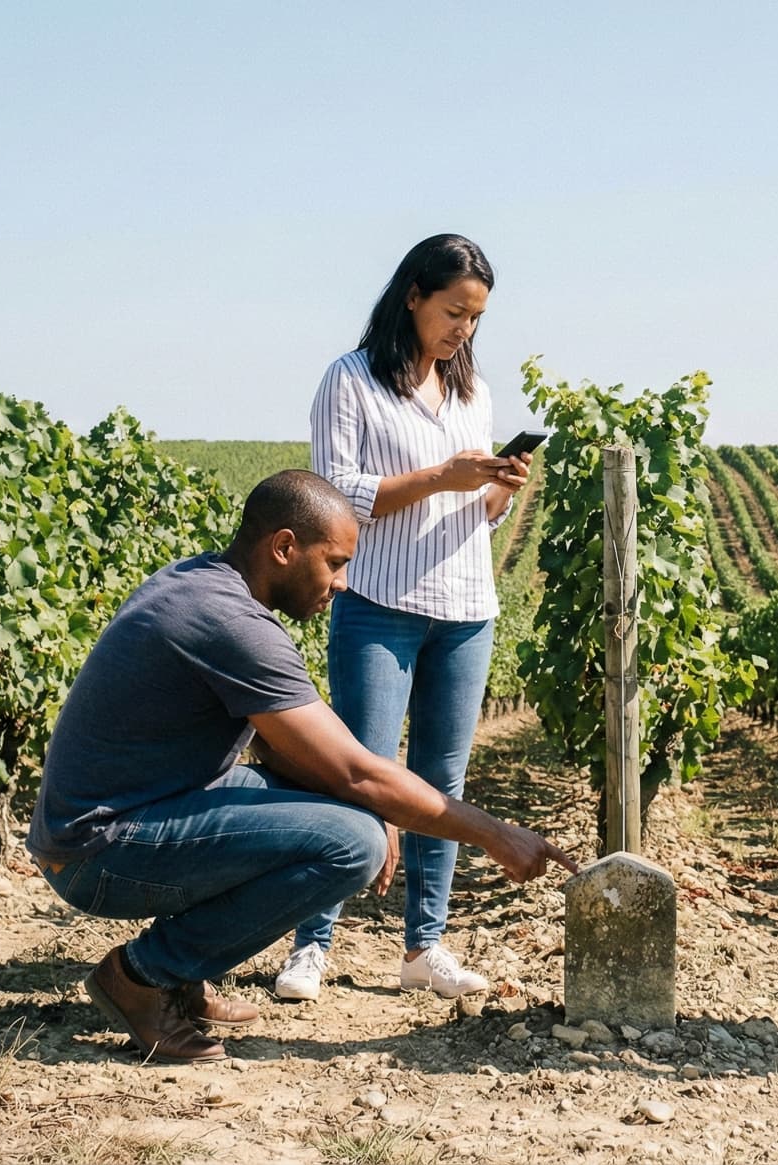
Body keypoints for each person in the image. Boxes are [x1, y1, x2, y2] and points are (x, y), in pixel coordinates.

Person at [27, 470, 574, 1064]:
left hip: (122, 816)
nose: (342, 584)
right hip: (96, 853)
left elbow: (285, 752)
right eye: (335, 563)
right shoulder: (232, 623)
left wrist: (367, 798)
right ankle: (142, 976)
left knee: (345, 813)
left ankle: (182, 976)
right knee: (354, 844)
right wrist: (495, 835)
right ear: (285, 548)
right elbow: (355, 773)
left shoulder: (201, 581)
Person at [272, 233, 532, 1003]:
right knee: (357, 771)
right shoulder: (349, 381)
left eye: (477, 318)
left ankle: (425, 946)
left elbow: (472, 516)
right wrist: (438, 476)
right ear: (413, 295)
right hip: (379, 603)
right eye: (455, 311)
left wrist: (499, 488)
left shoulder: (472, 394)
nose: (465, 330)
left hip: (465, 608)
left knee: (442, 779)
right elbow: (336, 499)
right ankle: (312, 942)